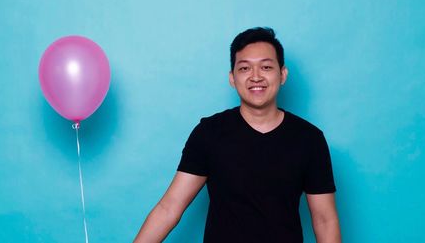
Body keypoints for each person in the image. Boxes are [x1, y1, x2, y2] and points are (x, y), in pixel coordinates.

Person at [134, 27, 341, 243]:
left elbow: (325, 219)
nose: (256, 77)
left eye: (266, 67)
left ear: (283, 74)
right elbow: (169, 208)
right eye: (244, 68)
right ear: (232, 78)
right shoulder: (209, 133)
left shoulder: (309, 139)